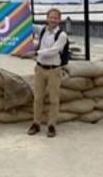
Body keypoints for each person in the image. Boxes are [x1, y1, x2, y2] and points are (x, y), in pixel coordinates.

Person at [21, 8, 68, 138]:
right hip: (40, 69)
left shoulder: (62, 35)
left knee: (53, 99)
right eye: (50, 17)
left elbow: (54, 50)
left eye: (55, 18)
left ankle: (51, 125)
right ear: (47, 18)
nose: (52, 20)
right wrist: (15, 13)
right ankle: (36, 123)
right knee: (38, 98)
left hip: (54, 70)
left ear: (59, 19)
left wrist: (35, 53)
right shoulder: (42, 30)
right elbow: (25, 24)